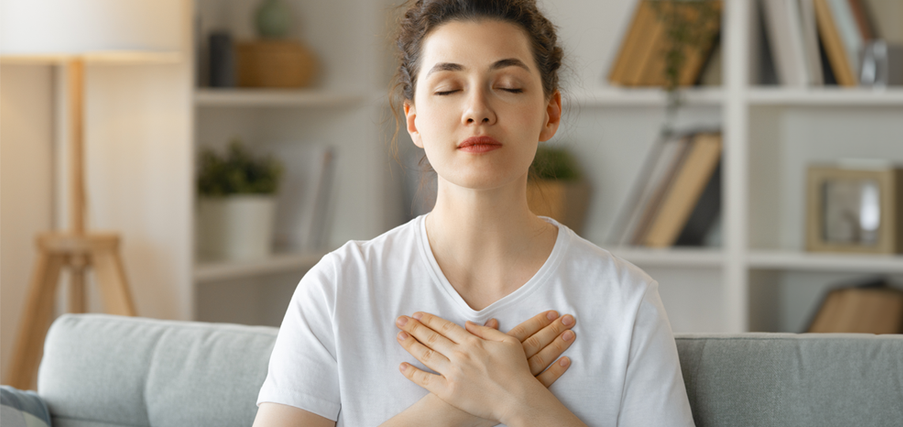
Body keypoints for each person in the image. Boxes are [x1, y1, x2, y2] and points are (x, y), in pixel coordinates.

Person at [253, 0, 694, 426]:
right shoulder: (339, 287)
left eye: (508, 87)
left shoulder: (626, 301)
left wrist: (518, 401)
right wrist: (451, 407)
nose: (477, 111)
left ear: (550, 113)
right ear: (413, 121)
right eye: (448, 89)